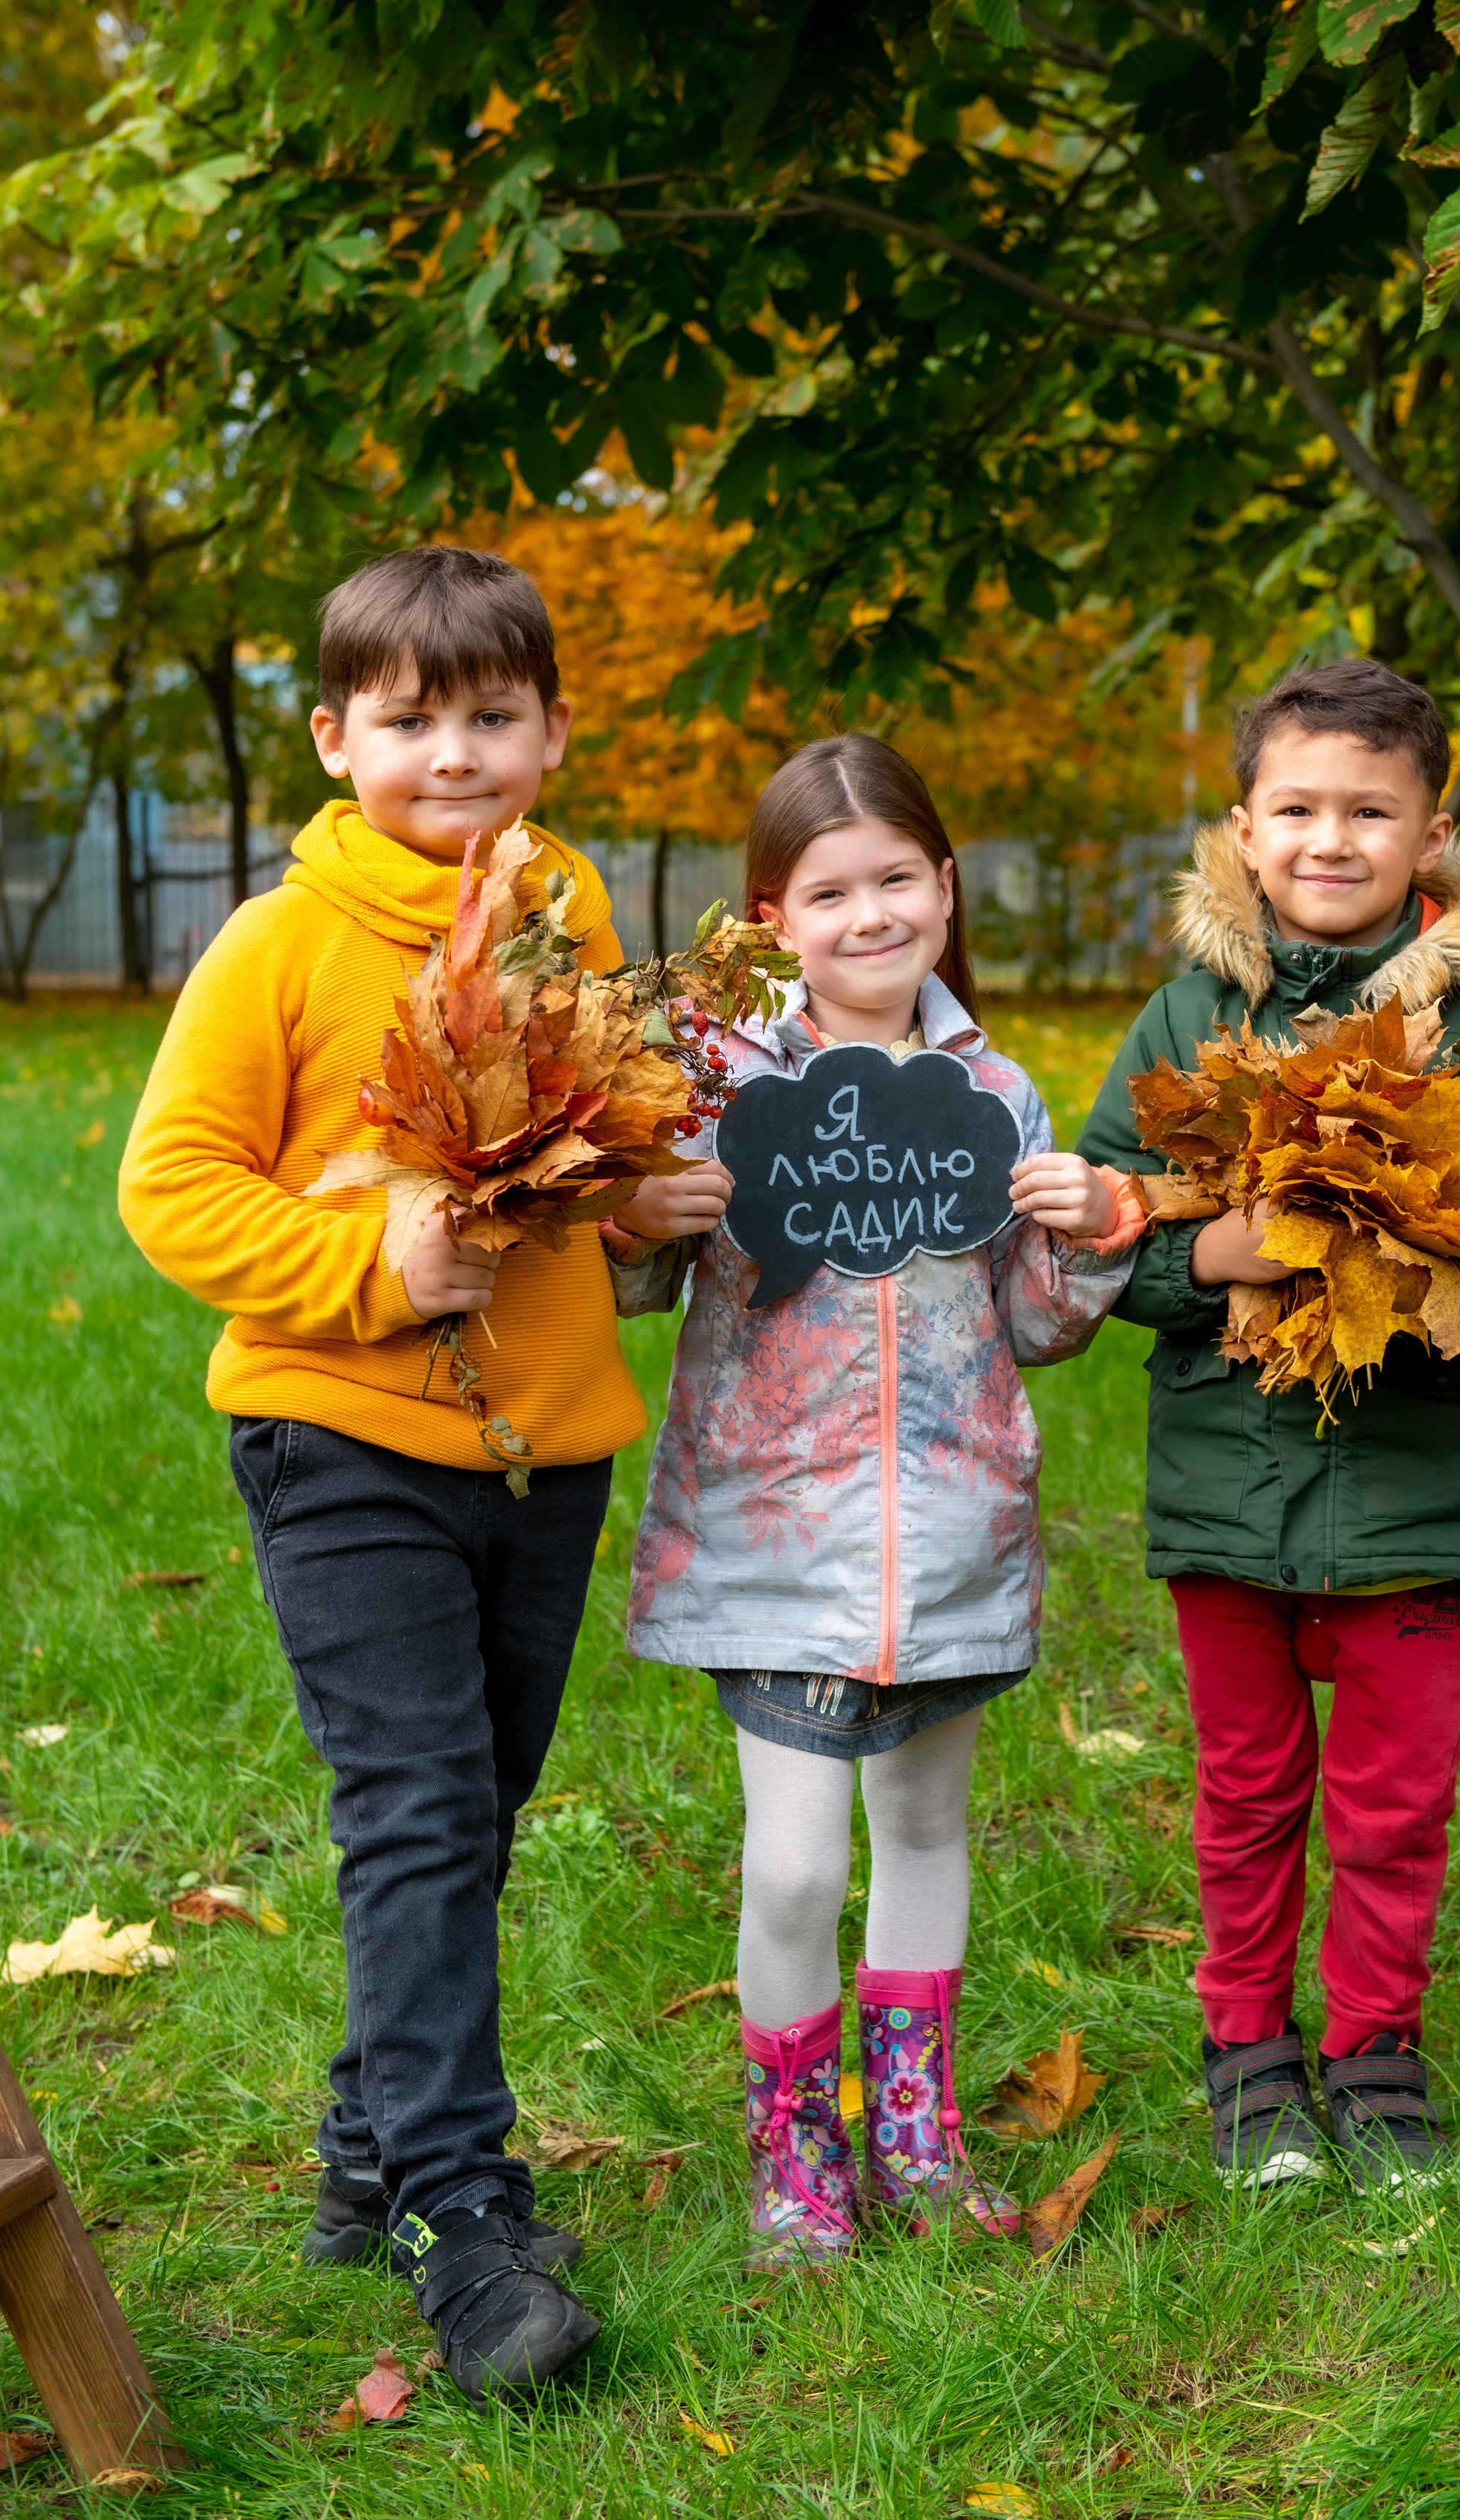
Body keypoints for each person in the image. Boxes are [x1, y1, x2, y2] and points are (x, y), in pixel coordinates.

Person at [119, 546, 630, 2406]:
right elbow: (169, 1184)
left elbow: (582, 1157)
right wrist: (365, 1269)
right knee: (415, 1806)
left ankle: (362, 2150)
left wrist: (640, 1195)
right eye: (410, 721)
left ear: (551, 730)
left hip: (541, 1446)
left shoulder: (573, 918)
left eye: (492, 716)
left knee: (475, 1806)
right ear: (336, 738)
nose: (454, 754)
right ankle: (456, 2221)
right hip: (336, 1437)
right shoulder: (282, 941)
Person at [605, 732, 1143, 2268]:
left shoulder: (994, 1090)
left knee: (920, 1828)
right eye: (827, 892)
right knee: (789, 1859)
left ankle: (912, 2138)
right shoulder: (718, 1085)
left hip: (955, 1528)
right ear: (772, 916)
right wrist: (643, 1216)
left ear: (943, 886)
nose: (867, 916)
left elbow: (1035, 1321)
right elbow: (641, 1282)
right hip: (774, 1535)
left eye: (894, 879)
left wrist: (1088, 1232)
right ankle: (794, 2152)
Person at [1078, 656, 1460, 2195]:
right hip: (1232, 1495)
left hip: (1420, 1492)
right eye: (1294, 809)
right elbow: (1104, 1230)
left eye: (1369, 811)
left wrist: (1421, 1261)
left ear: (1429, 834)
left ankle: (1371, 2050)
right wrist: (1208, 1255)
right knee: (1243, 1792)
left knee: (1390, 1804)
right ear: (1242, 826)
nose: (1328, 840)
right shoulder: (1189, 1013)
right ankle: (1246, 2045)